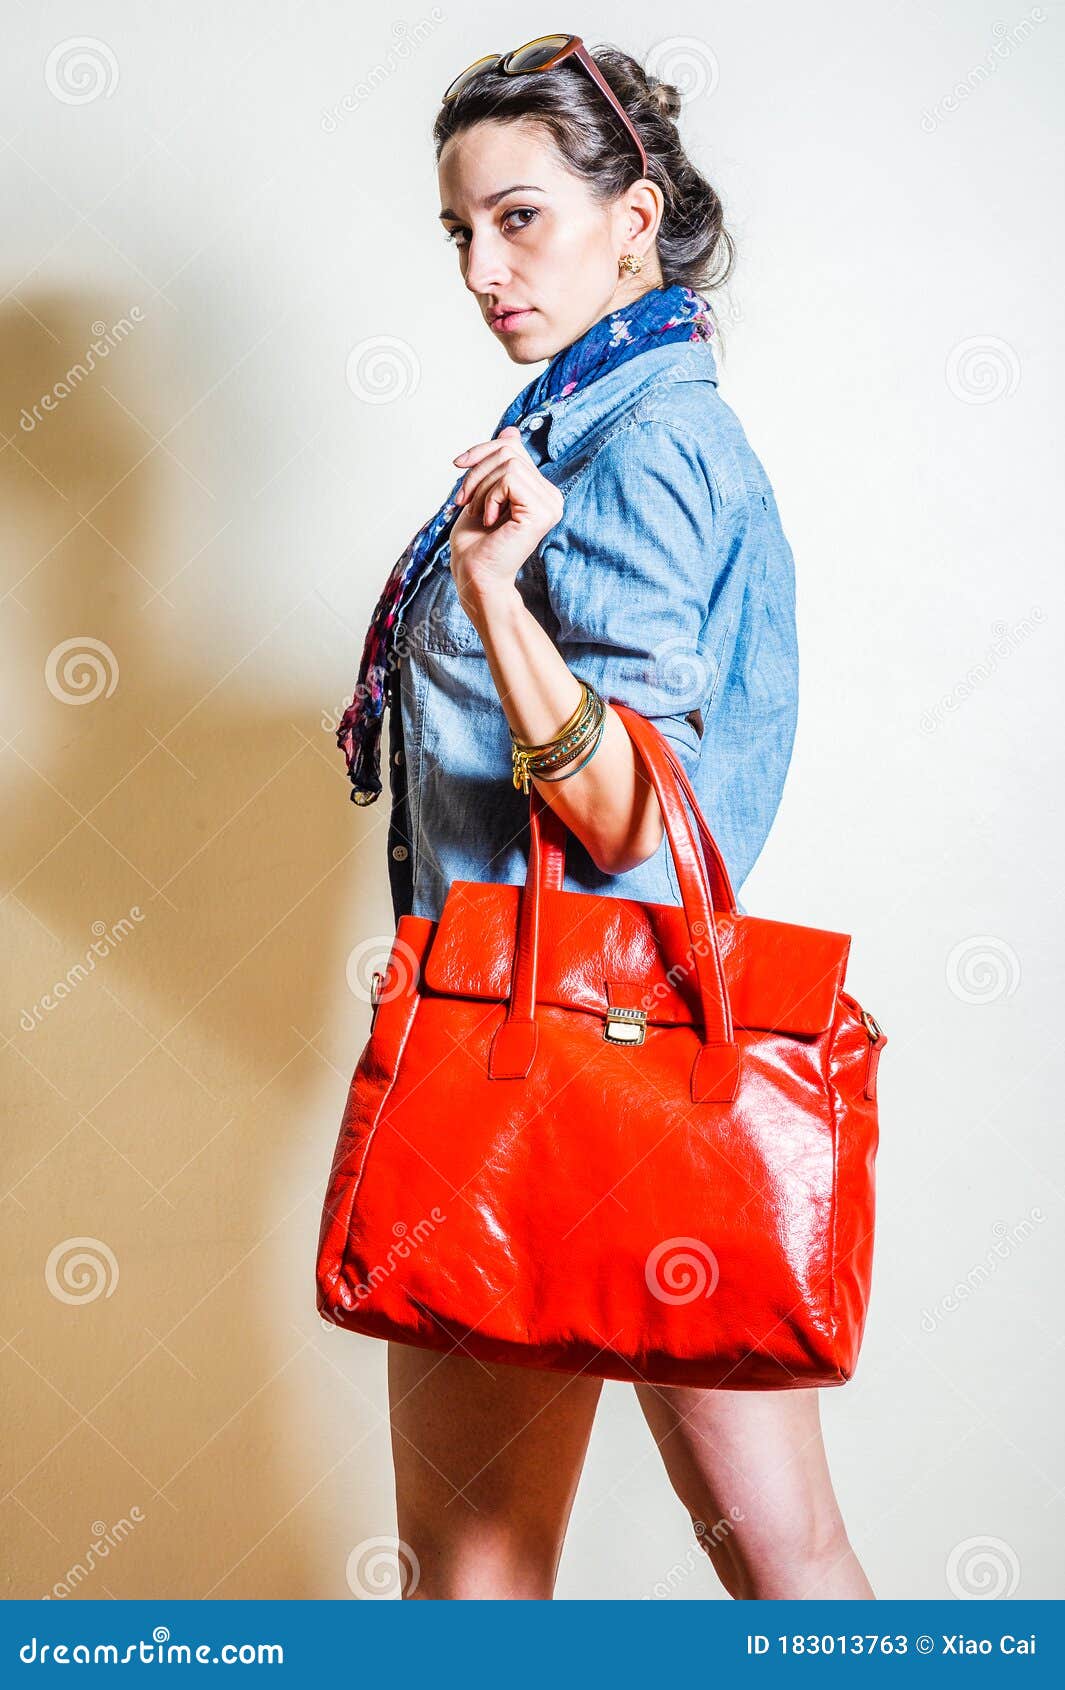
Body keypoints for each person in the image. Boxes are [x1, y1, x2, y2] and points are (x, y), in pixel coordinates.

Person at [335, 36, 873, 1602]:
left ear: (632, 215)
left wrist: (496, 604)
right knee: (782, 1559)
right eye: (458, 232)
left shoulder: (638, 445)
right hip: (641, 1073)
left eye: (518, 219)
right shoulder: (607, 422)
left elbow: (636, 815)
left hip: (544, 1077)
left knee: (475, 1578)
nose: (481, 268)